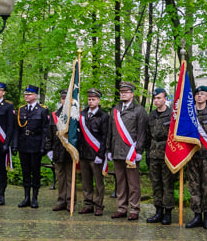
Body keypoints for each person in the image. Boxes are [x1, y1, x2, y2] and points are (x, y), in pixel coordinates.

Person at [106, 81, 149, 220]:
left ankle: (134, 209)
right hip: (117, 151)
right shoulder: (115, 110)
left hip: (131, 152)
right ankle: (121, 208)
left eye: (126, 92)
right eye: (122, 92)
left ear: (132, 94)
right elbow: (110, 132)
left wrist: (139, 151)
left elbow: (142, 132)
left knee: (133, 183)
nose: (123, 94)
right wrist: (108, 149)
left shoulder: (139, 110)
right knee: (120, 182)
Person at [185, 86, 207, 230]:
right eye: (197, 94)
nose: (199, 96)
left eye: (202, 94)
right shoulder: (188, 112)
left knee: (206, 187)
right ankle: (197, 215)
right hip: (192, 155)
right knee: (194, 187)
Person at [12, 85, 49, 208]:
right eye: (25, 94)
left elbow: (45, 130)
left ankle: (34, 197)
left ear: (35, 96)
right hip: (24, 144)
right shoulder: (21, 109)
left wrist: (43, 146)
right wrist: (15, 145)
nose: (26, 96)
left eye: (29, 94)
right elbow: (17, 129)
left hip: (36, 144)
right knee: (25, 172)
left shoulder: (42, 110)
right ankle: (26, 197)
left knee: (35, 172)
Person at [77, 88, 109, 216]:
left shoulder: (104, 116)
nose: (90, 102)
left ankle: (99, 205)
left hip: (96, 154)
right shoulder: (82, 114)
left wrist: (101, 154)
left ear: (98, 100)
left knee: (98, 182)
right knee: (86, 182)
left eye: (93, 99)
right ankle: (88, 204)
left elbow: (105, 136)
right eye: (89, 99)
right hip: (84, 154)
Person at [145, 88, 175, 225]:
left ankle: (168, 212)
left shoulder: (171, 115)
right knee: (156, 184)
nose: (156, 100)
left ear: (165, 99)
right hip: (154, 153)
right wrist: (147, 153)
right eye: (155, 98)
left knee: (167, 184)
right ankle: (158, 211)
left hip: (167, 154)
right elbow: (147, 136)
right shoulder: (151, 115)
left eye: (159, 98)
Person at [46, 89, 73, 211]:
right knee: (61, 176)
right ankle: (61, 200)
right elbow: (49, 133)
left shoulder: (74, 115)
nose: (64, 101)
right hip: (57, 150)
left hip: (70, 150)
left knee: (70, 177)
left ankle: (70, 200)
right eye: (62, 99)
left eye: (66, 99)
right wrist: (49, 150)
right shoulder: (55, 115)